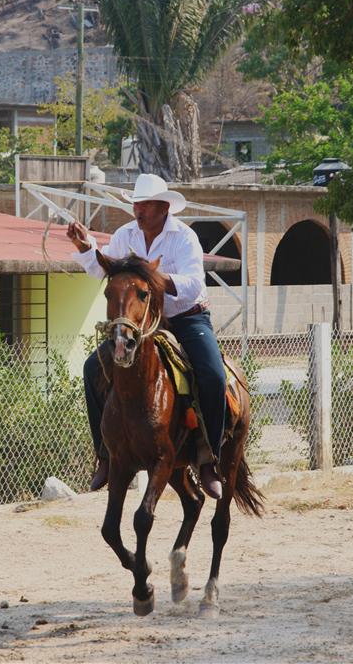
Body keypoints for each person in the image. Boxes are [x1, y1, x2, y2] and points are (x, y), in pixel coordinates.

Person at [67, 173, 226, 499]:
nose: (138, 211)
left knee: (213, 375)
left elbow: (194, 284)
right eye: (136, 205)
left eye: (144, 206)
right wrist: (87, 248)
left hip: (185, 319)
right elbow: (105, 268)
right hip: (141, 325)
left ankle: (209, 458)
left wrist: (153, 277)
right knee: (91, 369)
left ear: (162, 207)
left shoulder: (184, 237)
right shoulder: (126, 235)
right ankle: (106, 456)